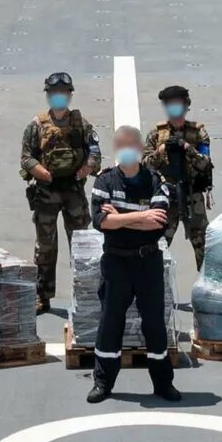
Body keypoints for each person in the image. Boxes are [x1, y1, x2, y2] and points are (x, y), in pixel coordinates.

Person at [84, 127, 181, 404]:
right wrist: (140, 215)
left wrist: (121, 216)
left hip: (147, 261)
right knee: (110, 321)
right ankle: (102, 383)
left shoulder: (154, 181)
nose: (127, 150)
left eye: (132, 145)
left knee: (154, 324)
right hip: (116, 261)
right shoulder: (104, 181)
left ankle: (163, 384)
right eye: (121, 145)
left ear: (139, 149)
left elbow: (158, 223)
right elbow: (101, 222)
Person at [20, 71, 98, 312]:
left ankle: (85, 293)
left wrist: (87, 168)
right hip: (46, 191)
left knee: (81, 245)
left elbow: (95, 151)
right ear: (48, 96)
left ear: (69, 95)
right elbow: (26, 157)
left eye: (63, 93)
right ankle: (42, 296)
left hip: (74, 189)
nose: (59, 98)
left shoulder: (81, 124)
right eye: (54, 94)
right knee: (45, 246)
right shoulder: (36, 125)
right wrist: (39, 171)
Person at [144, 84, 216, 268]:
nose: (175, 109)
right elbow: (145, 165)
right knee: (158, 244)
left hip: (193, 194)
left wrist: (187, 148)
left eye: (178, 104)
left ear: (186, 106)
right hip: (166, 197)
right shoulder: (156, 134)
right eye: (170, 105)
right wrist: (162, 150)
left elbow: (205, 163)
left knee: (204, 245)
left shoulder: (198, 132)